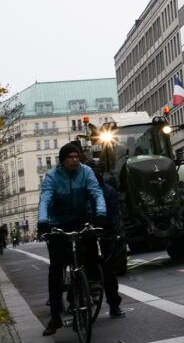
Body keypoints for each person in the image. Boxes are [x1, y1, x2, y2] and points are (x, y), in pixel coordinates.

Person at [37, 143, 107, 336]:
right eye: (70, 157)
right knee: (56, 269)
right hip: (58, 222)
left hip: (80, 218)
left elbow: (96, 193)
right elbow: (45, 199)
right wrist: (43, 222)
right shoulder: (52, 177)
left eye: (77, 156)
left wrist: (100, 214)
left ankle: (91, 282)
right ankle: (55, 316)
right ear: (62, 161)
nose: (75, 159)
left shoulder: (86, 172)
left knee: (91, 243)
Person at [86, 157, 125, 318]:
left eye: (99, 172)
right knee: (84, 265)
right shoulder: (83, 191)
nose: (97, 175)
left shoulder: (109, 191)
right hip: (88, 231)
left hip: (105, 232)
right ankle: (76, 302)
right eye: (94, 173)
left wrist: (115, 229)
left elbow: (115, 213)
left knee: (109, 272)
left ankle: (114, 305)